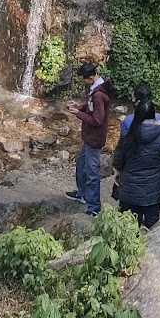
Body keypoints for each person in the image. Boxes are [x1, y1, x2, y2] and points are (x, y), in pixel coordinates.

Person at [113, 97, 160, 229]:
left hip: (130, 190)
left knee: (128, 229)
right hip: (153, 191)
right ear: (154, 115)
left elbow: (118, 162)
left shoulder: (128, 135)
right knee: (152, 227)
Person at [65, 61, 111, 217]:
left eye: (83, 80)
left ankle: (94, 208)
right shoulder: (97, 90)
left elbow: (97, 120)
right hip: (89, 138)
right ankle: (83, 194)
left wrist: (78, 114)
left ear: (91, 77)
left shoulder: (99, 95)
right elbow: (92, 108)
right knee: (80, 164)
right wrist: (80, 107)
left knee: (92, 173)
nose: (82, 83)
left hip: (94, 139)